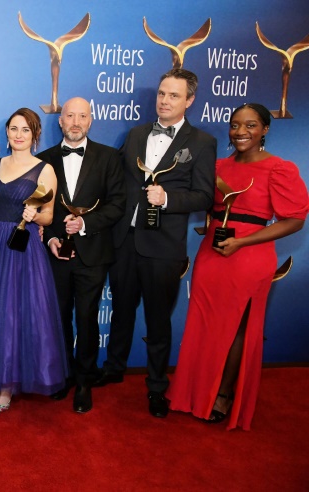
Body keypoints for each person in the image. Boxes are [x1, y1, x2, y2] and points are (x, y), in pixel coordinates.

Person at [167, 103, 308, 430]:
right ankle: (193, 392)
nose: (241, 132)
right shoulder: (217, 166)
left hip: (250, 255)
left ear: (265, 129)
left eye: (250, 125)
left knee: (238, 327)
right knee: (203, 324)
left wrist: (242, 242)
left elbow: (295, 220)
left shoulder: (279, 169)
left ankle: (223, 395)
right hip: (212, 253)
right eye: (235, 125)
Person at [95, 68, 216, 419]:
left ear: (189, 100)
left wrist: (168, 199)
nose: (164, 100)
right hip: (124, 241)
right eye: (162, 93)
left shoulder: (202, 142)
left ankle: (157, 386)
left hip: (163, 248)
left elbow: (205, 196)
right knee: (121, 311)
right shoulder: (135, 134)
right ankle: (114, 368)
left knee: (158, 320)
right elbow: (115, 181)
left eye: (174, 95)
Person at [0, 107, 69, 413]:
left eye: (26, 129)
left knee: (16, 313)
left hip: (23, 247)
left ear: (35, 135)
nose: (19, 135)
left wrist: (35, 215)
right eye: (13, 129)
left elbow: (49, 215)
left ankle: (7, 387)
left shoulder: (44, 170)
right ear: (7, 133)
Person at [38, 97, 125, 413]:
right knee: (59, 318)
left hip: (93, 254)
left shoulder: (110, 157)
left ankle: (85, 381)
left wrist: (86, 223)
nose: (75, 122)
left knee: (87, 319)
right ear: (60, 121)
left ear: (90, 120)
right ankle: (63, 376)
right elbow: (38, 205)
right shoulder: (43, 160)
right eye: (70, 116)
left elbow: (118, 204)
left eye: (82, 116)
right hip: (56, 254)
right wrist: (50, 238)